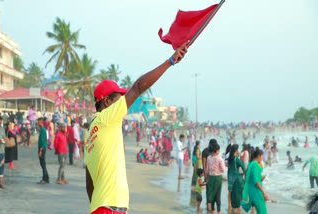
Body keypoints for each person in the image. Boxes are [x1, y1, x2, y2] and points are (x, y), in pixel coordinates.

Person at [84, 42, 188, 214]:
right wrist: (170, 61)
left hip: (101, 206)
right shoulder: (107, 118)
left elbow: (89, 182)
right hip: (110, 206)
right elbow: (138, 87)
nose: (123, 104)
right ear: (107, 102)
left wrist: (96, 206)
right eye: (119, 98)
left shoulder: (90, 133)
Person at [241, 149, 268, 214]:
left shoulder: (250, 164)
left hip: (251, 191)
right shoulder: (255, 165)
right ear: (259, 156)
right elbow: (256, 182)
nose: (262, 158)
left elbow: (250, 178)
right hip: (256, 192)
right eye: (262, 156)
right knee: (262, 211)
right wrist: (264, 192)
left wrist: (261, 178)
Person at [205, 141, 225, 214]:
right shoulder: (219, 159)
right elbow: (223, 169)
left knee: (212, 194)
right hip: (218, 178)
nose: (219, 151)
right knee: (218, 195)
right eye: (219, 150)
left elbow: (207, 169)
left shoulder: (209, 158)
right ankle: (219, 211)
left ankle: (213, 211)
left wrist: (207, 178)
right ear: (216, 151)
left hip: (211, 177)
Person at [228, 144, 245, 212]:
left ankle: (232, 206)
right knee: (238, 193)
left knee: (232, 193)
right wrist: (243, 173)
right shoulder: (236, 159)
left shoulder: (230, 158)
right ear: (236, 150)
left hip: (230, 178)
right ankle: (238, 208)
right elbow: (243, 166)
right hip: (236, 178)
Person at [37, 117, 49, 184]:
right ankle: (47, 177)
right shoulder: (41, 130)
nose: (37, 123)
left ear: (41, 122)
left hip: (42, 148)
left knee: (43, 164)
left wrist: (41, 150)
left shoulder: (43, 130)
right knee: (42, 164)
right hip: (41, 148)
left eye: (38, 122)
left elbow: (43, 140)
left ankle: (44, 178)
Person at [0, 116, 6, 188]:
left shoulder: (2, 129)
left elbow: (5, 139)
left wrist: (2, 141)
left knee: (1, 167)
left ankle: (0, 183)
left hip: (1, 152)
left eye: (0, 123)